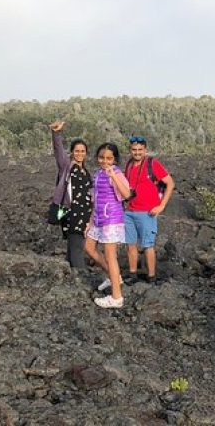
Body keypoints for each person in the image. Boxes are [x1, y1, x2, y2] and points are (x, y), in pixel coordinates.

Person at [122, 135, 175, 285]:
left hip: (147, 212)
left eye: (140, 150)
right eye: (134, 150)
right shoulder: (129, 165)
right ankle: (133, 274)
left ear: (145, 150)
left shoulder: (153, 164)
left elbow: (170, 183)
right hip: (129, 211)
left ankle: (151, 276)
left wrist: (162, 205)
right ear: (130, 150)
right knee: (130, 244)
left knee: (148, 245)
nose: (137, 152)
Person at [86, 142, 131, 309]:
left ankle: (116, 297)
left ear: (115, 159)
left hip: (111, 219)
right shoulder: (98, 173)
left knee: (110, 256)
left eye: (109, 158)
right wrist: (90, 221)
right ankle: (115, 277)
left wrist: (113, 176)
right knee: (89, 248)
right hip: (98, 218)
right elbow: (95, 198)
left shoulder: (116, 173)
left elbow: (126, 194)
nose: (105, 161)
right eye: (101, 158)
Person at [49, 120, 92, 269]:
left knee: (73, 247)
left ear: (86, 153)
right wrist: (56, 133)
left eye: (82, 151)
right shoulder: (67, 167)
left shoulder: (86, 172)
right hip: (71, 213)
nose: (80, 154)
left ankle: (70, 276)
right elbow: (58, 151)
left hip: (84, 215)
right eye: (77, 151)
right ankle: (80, 277)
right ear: (72, 152)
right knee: (77, 248)